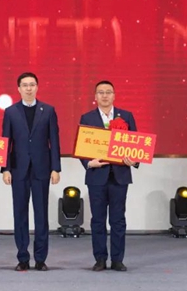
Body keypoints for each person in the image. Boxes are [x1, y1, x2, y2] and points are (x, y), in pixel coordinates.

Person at [1, 72, 61, 271]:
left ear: (37, 87)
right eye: (25, 85)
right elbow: (6, 142)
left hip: (42, 169)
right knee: (20, 214)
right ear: (18, 88)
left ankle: (41, 259)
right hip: (18, 169)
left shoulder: (48, 110)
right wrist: (5, 169)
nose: (28, 88)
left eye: (32, 84)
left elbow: (54, 141)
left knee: (41, 214)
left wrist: (55, 168)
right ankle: (23, 258)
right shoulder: (10, 112)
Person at [79, 80, 138, 272]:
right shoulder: (87, 118)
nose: (105, 95)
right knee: (98, 219)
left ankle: (118, 259)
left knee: (118, 219)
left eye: (108, 92)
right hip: (97, 175)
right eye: (101, 92)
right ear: (95, 97)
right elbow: (81, 146)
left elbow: (136, 144)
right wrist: (89, 163)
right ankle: (100, 259)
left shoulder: (126, 116)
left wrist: (134, 160)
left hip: (119, 175)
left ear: (114, 95)